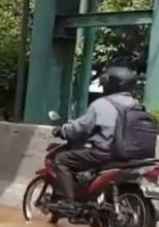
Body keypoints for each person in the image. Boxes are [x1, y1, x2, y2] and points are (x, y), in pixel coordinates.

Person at [50, 66, 138, 210]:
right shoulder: (136, 105)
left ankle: (68, 202)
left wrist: (63, 130)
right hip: (129, 156)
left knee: (61, 159)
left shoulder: (101, 104)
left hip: (104, 154)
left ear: (112, 84)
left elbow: (81, 128)